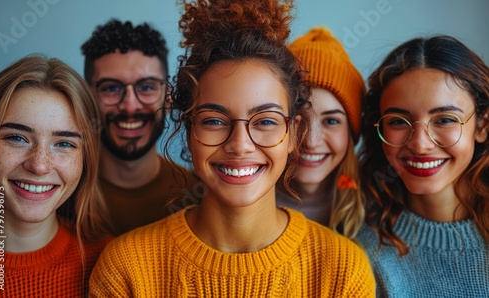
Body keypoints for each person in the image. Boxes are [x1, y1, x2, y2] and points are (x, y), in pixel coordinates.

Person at [89, 1, 375, 296]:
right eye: (214, 120)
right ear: (189, 133)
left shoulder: (344, 269)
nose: (240, 145)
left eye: (265, 121)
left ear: (294, 134)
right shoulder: (126, 268)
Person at [356, 35, 489, 297]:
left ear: (482, 126)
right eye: (398, 121)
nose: (420, 144)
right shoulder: (363, 252)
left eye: (445, 119)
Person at [0, 55, 112, 297]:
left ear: (85, 160)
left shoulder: (110, 264)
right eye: (17, 138)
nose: (39, 166)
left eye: (64, 143)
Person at [81, 19, 201, 236]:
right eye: (111, 88)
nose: (129, 106)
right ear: (86, 98)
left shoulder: (201, 197)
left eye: (146, 87)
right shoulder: (58, 195)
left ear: (167, 99)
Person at [277, 26, 366, 238]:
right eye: (299, 119)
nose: (310, 141)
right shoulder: (244, 199)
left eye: (332, 120)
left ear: (351, 132)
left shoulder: (375, 210)